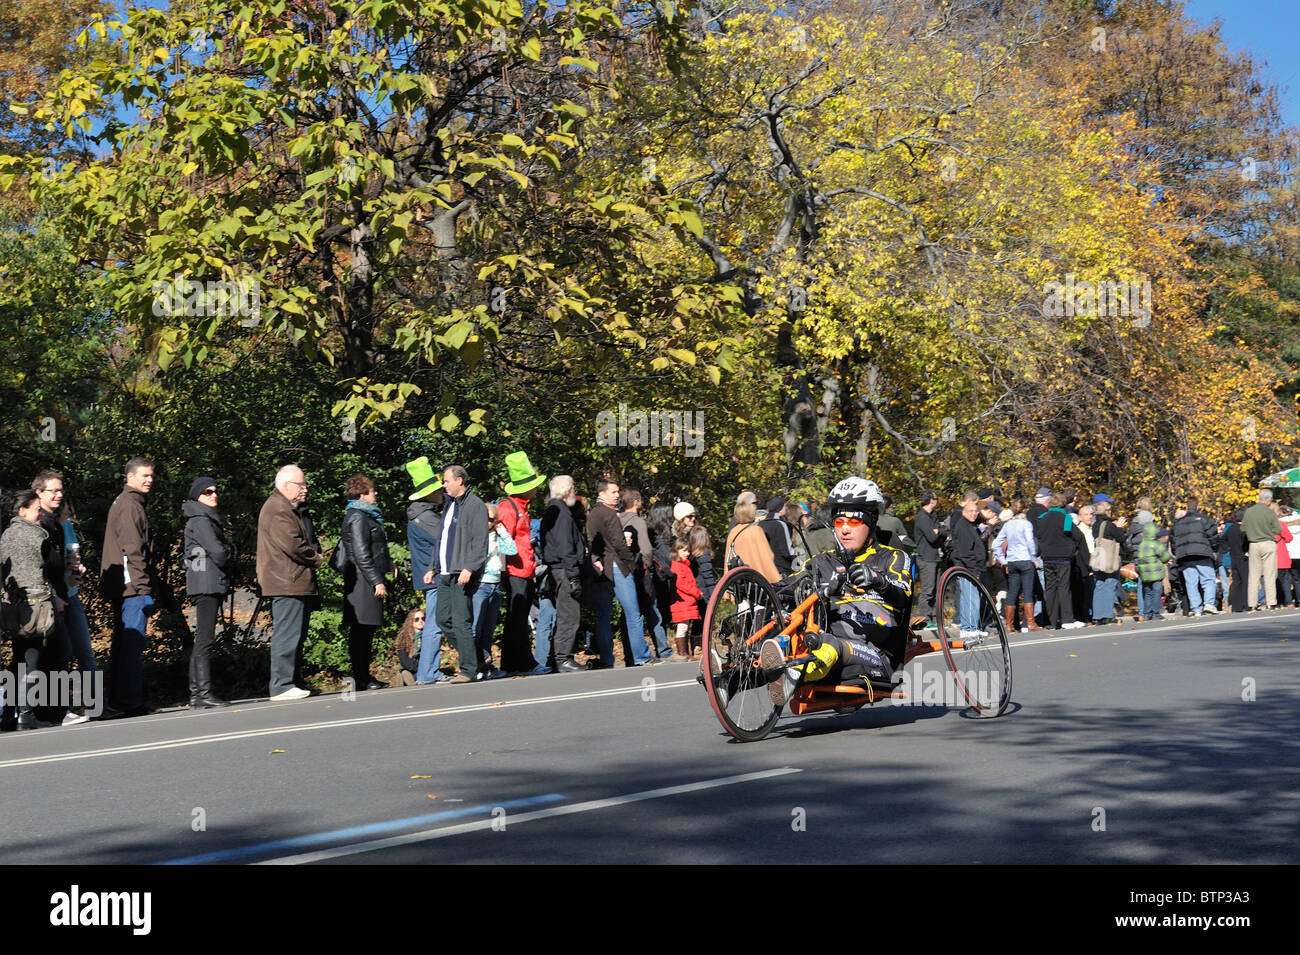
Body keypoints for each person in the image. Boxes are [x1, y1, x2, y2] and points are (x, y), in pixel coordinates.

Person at [760, 477, 913, 705]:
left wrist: (877, 580)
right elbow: (788, 586)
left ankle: (790, 675)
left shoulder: (893, 558)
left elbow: (902, 595)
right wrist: (754, 586)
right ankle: (731, 679)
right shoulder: (822, 562)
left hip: (874, 653)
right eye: (839, 522)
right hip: (821, 641)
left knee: (828, 644)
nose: (844, 530)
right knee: (775, 617)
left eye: (853, 523)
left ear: (870, 522)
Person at [256, 464, 323, 701]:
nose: (305, 489)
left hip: (291, 581)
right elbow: (293, 544)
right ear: (285, 486)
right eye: (301, 484)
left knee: (296, 634)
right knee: (288, 634)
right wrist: (316, 558)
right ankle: (282, 685)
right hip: (286, 582)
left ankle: (293, 681)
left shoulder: (285, 507)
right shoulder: (278, 509)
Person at [100, 457, 156, 716]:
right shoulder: (130, 505)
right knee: (131, 644)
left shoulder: (128, 503)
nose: (149, 479)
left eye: (151, 475)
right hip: (130, 587)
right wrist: (143, 588)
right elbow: (132, 550)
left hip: (125, 586)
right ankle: (129, 702)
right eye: (144, 475)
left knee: (124, 644)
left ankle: (120, 700)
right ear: (129, 477)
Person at [1, 490, 60, 729]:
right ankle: (26, 713)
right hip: (35, 605)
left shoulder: (5, 534)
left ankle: (8, 714)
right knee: (31, 656)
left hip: (10, 604)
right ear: (22, 510)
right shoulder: (38, 534)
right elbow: (55, 564)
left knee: (18, 657)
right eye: (37, 509)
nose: (40, 514)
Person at [182, 476, 233, 707]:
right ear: (197, 496)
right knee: (205, 639)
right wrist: (230, 549)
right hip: (206, 584)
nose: (214, 494)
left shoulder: (203, 519)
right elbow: (219, 553)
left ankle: (197, 694)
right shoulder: (201, 520)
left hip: (206, 583)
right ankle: (202, 693)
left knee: (203, 638)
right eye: (208, 491)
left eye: (215, 490)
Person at [435, 465, 489, 683]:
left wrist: (469, 567)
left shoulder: (475, 505)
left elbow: (480, 540)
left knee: (460, 621)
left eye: (447, 481)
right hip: (445, 571)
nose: (444, 485)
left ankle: (467, 670)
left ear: (459, 481)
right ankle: (477, 656)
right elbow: (442, 540)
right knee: (442, 619)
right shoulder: (450, 505)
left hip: (461, 571)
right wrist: (432, 566)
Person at [339, 474, 392, 691]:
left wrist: (389, 564)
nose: (375, 493)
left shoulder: (363, 515)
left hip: (364, 579)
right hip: (362, 582)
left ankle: (363, 676)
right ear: (362, 494)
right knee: (361, 631)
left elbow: (374, 547)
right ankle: (361, 677)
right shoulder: (358, 517)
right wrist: (376, 580)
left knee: (365, 631)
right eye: (372, 491)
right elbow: (361, 554)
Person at [587, 476, 648, 667]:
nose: (617, 496)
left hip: (600, 566)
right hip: (617, 564)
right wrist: (630, 564)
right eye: (613, 492)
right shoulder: (609, 514)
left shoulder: (592, 514)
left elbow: (593, 541)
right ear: (602, 493)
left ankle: (607, 659)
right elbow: (618, 544)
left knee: (604, 615)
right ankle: (641, 656)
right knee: (632, 613)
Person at [497, 451, 548, 674]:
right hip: (514, 572)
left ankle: (509, 664)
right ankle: (527, 664)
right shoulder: (508, 508)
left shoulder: (520, 507)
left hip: (524, 571)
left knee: (514, 620)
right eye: (534, 485)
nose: (537, 489)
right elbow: (502, 541)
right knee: (519, 621)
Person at [404, 457, 446, 684]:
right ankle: (427, 673)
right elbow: (449, 540)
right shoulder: (428, 517)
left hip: (427, 575)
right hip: (434, 576)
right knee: (435, 625)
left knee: (435, 623)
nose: (441, 493)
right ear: (429, 493)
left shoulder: (418, 514)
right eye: (438, 490)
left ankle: (427, 672)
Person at [540, 475, 588, 672]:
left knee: (564, 615)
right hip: (563, 569)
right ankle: (563, 658)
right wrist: (573, 576)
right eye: (573, 489)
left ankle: (557, 657)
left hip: (558, 568)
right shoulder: (561, 512)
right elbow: (565, 546)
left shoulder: (553, 510)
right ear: (568, 491)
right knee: (570, 616)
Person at [622, 488, 673, 661]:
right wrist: (649, 566)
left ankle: (630, 653)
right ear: (636, 502)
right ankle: (664, 650)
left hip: (623, 572)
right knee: (653, 611)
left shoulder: (617, 520)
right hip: (641, 572)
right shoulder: (638, 522)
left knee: (628, 614)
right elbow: (646, 549)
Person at [471, 501, 516, 680]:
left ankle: (486, 665)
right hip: (481, 585)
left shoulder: (496, 536)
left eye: (493, 520)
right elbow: (478, 558)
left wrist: (501, 531)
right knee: (476, 629)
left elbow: (511, 549)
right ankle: (473, 665)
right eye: (487, 519)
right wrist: (490, 545)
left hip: (495, 585)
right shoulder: (476, 537)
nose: (489, 523)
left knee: (488, 630)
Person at [1034, 492, 1083, 630]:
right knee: (1063, 587)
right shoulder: (1065, 518)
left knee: (1050, 589)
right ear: (1063, 504)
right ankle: (1067, 619)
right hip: (1063, 558)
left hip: (1047, 558)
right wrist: (1072, 548)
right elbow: (1077, 536)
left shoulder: (1042, 518)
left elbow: (1038, 535)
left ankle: (1051, 620)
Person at [993, 499, 1041, 633]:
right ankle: (1030, 623)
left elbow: (996, 544)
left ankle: (1009, 625)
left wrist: (1003, 560)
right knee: (1028, 592)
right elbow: (1030, 542)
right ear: (1024, 510)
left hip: (1012, 561)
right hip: (1025, 559)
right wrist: (1033, 557)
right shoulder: (1026, 524)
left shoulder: (1008, 525)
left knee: (1012, 592)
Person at [1171, 497, 1220, 617]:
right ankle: (1208, 604)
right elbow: (1213, 536)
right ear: (1198, 507)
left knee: (1191, 582)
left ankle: (1196, 608)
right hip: (1202, 552)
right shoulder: (1204, 519)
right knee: (1208, 579)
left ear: (1187, 507)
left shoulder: (1178, 523)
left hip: (1185, 555)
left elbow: (1173, 541)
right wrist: (1214, 548)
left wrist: (1177, 553)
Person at [723, 500, 781, 583]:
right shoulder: (756, 530)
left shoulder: (733, 531)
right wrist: (775, 577)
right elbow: (767, 556)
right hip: (758, 579)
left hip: (739, 580)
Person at [1242, 489, 1281, 610]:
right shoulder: (1270, 513)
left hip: (1253, 544)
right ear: (1269, 500)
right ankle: (1271, 603)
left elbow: (1243, 529)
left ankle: (1252, 604)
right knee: (1269, 574)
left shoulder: (1249, 512)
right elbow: (1278, 530)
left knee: (1253, 576)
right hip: (1268, 543)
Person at [669, 537, 702, 659]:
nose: (687, 553)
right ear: (676, 551)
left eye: (688, 551)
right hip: (683, 602)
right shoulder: (677, 566)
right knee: (682, 627)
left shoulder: (683, 565)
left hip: (687, 602)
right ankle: (682, 653)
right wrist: (697, 593)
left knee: (685, 626)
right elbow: (682, 584)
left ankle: (685, 652)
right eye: (684, 551)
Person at [1136, 522, 1173, 620]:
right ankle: (1156, 612)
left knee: (1147, 593)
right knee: (1156, 592)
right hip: (1156, 573)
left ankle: (1147, 613)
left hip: (1145, 575)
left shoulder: (1141, 545)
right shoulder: (1156, 544)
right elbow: (1165, 556)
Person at [760, 497, 796, 577]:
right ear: (780, 509)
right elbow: (788, 551)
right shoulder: (780, 524)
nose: (786, 508)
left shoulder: (760, 524)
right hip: (782, 569)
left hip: (765, 568)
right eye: (784, 506)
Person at [393, 607, 425, 685]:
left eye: (423, 618)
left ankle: (406, 679)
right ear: (411, 622)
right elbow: (404, 660)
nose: (420, 621)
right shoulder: (404, 638)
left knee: (410, 675)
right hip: (411, 667)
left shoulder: (428, 636)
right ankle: (405, 678)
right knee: (405, 673)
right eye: (417, 619)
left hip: (423, 668)